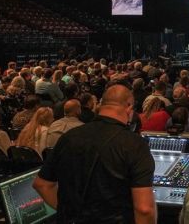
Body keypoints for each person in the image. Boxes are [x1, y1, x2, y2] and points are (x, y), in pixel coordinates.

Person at [33, 85, 156, 223]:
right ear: (128, 107)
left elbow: (41, 184)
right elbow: (144, 209)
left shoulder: (68, 137)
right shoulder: (136, 144)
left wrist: (69, 211)